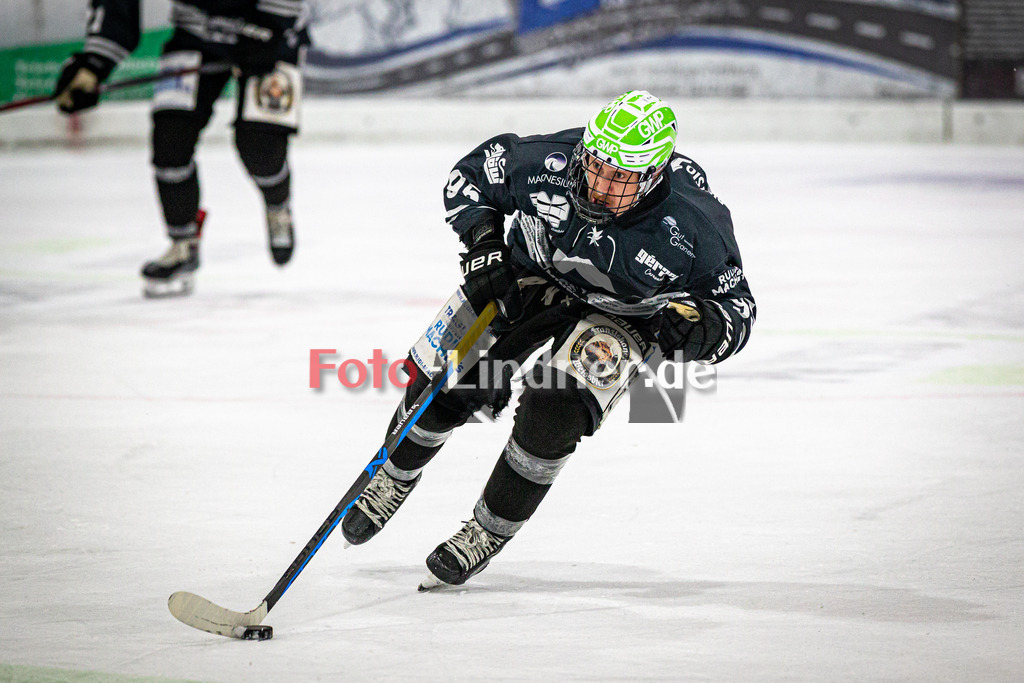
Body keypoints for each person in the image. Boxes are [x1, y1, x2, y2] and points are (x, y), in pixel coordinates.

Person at [343, 90, 757, 589]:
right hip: (531, 270)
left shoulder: (695, 224)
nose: (600, 185)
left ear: (652, 177)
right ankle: (395, 472)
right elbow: (470, 176)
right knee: (451, 372)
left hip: (622, 313)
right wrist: (484, 247)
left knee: (555, 407)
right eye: (597, 165)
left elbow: (738, 308)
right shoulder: (551, 160)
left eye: (620, 177)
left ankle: (487, 531)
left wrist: (700, 328)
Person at [53, 0, 310, 297]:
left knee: (259, 147)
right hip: (196, 31)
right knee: (171, 139)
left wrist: (271, 25)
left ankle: (278, 204)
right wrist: (95, 62)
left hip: (274, 31)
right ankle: (183, 244)